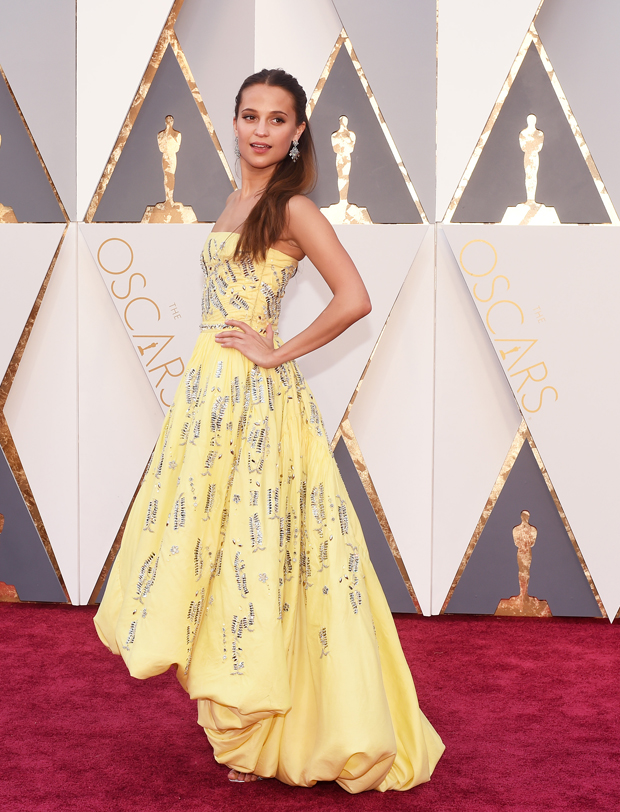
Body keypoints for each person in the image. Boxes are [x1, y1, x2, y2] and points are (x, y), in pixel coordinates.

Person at [94, 68, 444, 793]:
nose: (261, 130)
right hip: (208, 397)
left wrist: (276, 352)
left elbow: (354, 297)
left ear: (297, 133)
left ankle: (265, 725)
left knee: (256, 549)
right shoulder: (233, 202)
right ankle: (243, 713)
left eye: (276, 119)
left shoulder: (294, 207)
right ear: (235, 123)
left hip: (256, 403)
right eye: (250, 115)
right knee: (214, 548)